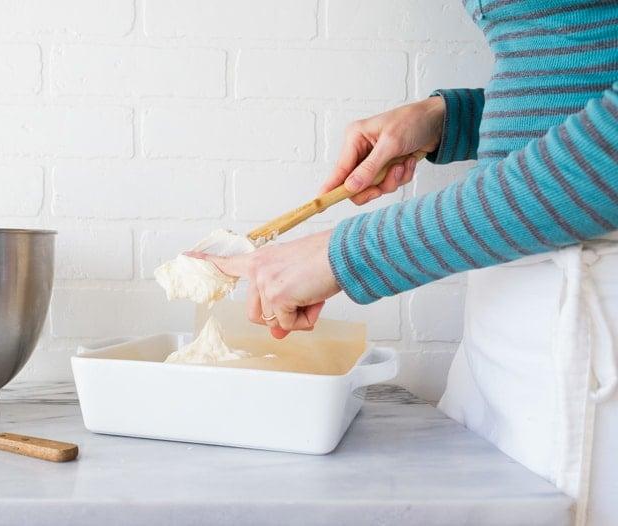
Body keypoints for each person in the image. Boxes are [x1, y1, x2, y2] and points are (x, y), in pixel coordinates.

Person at [199, 1, 618, 523]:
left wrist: (349, 254)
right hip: (517, 295)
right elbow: (577, 57)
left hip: (592, 304)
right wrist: (455, 119)